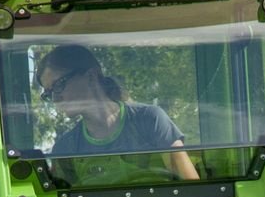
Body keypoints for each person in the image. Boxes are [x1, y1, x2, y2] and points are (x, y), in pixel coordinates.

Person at [35, 45, 200, 182]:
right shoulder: (66, 148)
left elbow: (192, 188)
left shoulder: (150, 119)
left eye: (58, 85)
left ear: (91, 76)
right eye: (48, 93)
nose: (56, 98)